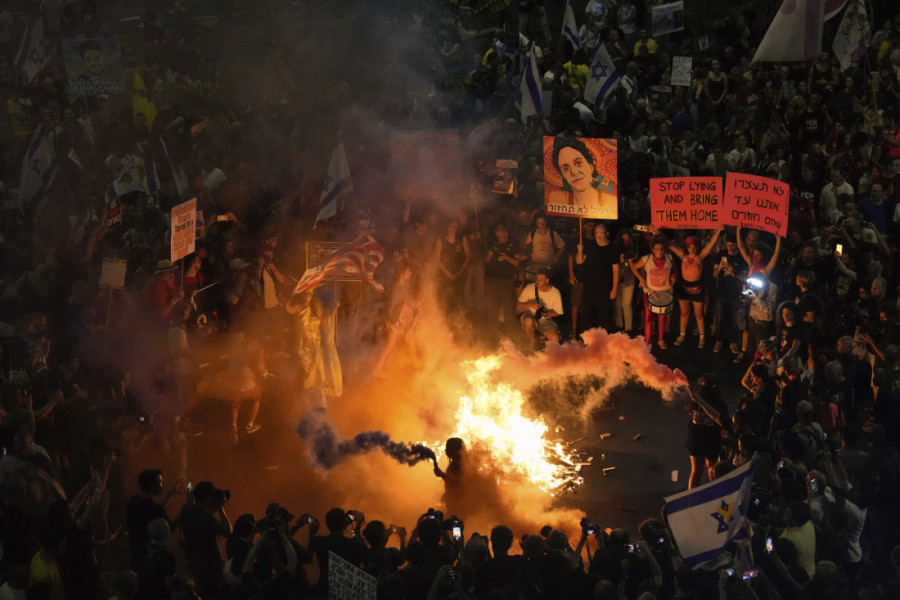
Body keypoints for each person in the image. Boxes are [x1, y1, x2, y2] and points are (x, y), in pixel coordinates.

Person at [666, 229, 722, 348]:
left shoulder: (700, 256)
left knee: (699, 314)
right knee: (684, 313)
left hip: (697, 288)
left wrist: (717, 232)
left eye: (694, 246)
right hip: (684, 288)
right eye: (690, 247)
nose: (692, 249)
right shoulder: (683, 255)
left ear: (697, 247)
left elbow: (711, 244)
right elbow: (670, 245)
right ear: (686, 247)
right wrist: (656, 232)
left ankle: (702, 338)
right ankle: (682, 336)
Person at [178, 481, 232, 599]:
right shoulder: (206, 518)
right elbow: (228, 532)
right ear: (208, 497)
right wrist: (221, 508)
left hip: (196, 566)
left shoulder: (186, 511)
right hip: (212, 568)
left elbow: (192, 508)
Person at [548, 137, 617, 219]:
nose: (574, 172)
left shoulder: (610, 201)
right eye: (565, 169)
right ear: (563, 176)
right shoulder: (559, 199)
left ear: (591, 167)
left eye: (578, 163)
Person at [125, 469, 182, 568]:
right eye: (160, 481)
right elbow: (169, 529)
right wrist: (183, 514)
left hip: (135, 549)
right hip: (150, 555)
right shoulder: (154, 508)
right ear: (152, 486)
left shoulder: (134, 500)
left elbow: (155, 510)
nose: (163, 484)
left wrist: (169, 494)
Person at [682, 373, 730, 489]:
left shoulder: (694, 401)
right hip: (711, 439)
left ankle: (692, 500)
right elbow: (724, 422)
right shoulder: (719, 404)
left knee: (696, 471)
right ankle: (714, 493)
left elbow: (689, 411)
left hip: (696, 439)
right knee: (713, 468)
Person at [630, 236, 675, 349]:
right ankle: (648, 342)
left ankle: (660, 339)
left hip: (664, 293)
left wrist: (673, 279)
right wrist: (641, 279)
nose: (660, 251)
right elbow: (634, 267)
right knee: (648, 318)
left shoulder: (669, 258)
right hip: (650, 292)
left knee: (662, 317)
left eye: (661, 249)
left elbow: (675, 270)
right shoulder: (647, 259)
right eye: (657, 249)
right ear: (653, 250)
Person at [575, 222, 618, 332]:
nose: (598, 236)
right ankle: (584, 341)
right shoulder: (590, 246)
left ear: (607, 234)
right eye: (596, 234)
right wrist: (580, 251)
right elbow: (579, 261)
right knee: (585, 316)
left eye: (601, 234)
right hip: (589, 287)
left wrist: (614, 289)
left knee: (603, 317)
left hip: (604, 288)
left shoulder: (613, 248)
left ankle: (602, 342)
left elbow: (616, 270)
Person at [516, 269, 563, 350]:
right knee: (528, 321)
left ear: (547, 280)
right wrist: (530, 304)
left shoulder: (555, 293)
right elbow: (518, 307)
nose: (537, 282)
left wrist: (546, 314)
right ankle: (532, 341)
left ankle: (549, 354)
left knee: (555, 339)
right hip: (530, 317)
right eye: (537, 279)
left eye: (541, 280)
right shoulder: (529, 288)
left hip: (545, 320)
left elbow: (558, 312)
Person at [433, 437, 467, 517]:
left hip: (458, 509)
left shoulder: (461, 464)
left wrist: (441, 474)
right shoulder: (457, 463)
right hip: (455, 508)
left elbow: (456, 482)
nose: (446, 451)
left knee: (455, 528)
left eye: (448, 448)